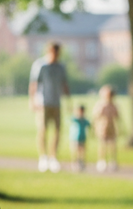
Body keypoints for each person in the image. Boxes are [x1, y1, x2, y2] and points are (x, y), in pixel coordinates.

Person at [29, 42, 70, 172]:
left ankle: (53, 157)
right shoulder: (41, 65)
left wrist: (68, 101)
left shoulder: (61, 67)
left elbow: (64, 84)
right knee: (43, 129)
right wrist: (32, 100)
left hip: (56, 102)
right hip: (43, 102)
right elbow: (34, 84)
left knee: (57, 130)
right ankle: (43, 157)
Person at [93, 84, 121, 172]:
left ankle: (112, 161)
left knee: (112, 145)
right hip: (103, 127)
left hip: (111, 127)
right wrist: (95, 127)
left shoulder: (113, 106)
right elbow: (96, 117)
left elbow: (117, 117)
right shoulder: (102, 105)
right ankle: (102, 160)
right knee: (103, 145)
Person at [69, 104, 92, 171]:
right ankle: (74, 163)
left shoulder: (84, 120)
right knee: (75, 151)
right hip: (75, 138)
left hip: (82, 137)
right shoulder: (76, 119)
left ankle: (81, 163)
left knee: (82, 151)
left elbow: (89, 124)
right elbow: (72, 119)